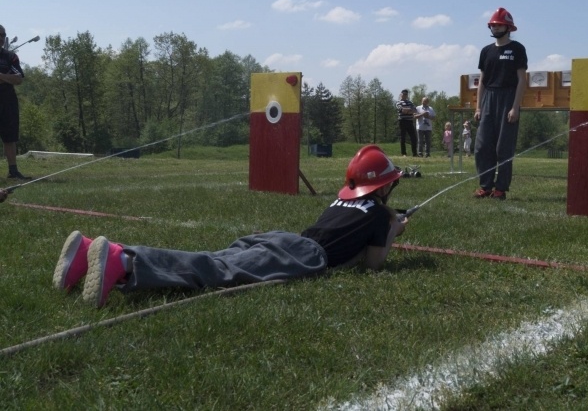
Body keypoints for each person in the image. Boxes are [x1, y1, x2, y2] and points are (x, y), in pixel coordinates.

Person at [53, 145, 408, 308]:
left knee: (219, 258)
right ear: (384, 187)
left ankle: (86, 253)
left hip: (284, 239)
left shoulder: (342, 200)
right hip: (305, 254)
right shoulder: (378, 216)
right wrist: (394, 229)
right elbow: (374, 265)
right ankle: (124, 261)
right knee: (217, 269)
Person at [473, 8, 528, 201]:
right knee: (482, 146)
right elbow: (482, 80)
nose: (496, 28)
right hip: (489, 98)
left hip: (508, 98)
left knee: (503, 148)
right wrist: (478, 107)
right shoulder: (486, 51)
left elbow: (522, 79)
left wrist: (515, 106)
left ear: (508, 27)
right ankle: (485, 186)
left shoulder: (517, 49)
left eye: (499, 25)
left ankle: (501, 189)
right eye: (493, 25)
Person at [0, 25, 30, 180]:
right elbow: (12, 77)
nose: (0, 37)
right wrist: (7, 77)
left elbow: (18, 78)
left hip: (7, 100)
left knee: (10, 137)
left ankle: (13, 171)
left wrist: (1, 76)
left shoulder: (10, 56)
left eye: (2, 35)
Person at [396, 89, 417, 157]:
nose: (405, 95)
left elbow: (414, 110)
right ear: (401, 94)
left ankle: (414, 153)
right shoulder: (398, 103)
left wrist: (407, 110)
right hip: (402, 121)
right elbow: (402, 110)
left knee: (413, 137)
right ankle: (403, 153)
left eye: (406, 94)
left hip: (410, 121)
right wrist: (409, 110)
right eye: (403, 94)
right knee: (403, 137)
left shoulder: (410, 102)